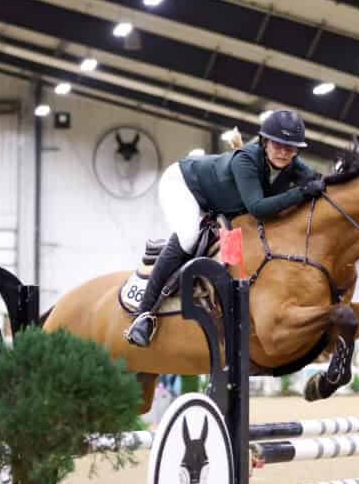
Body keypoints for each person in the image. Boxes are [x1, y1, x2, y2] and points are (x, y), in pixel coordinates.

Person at [125, 109, 325, 347]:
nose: (284, 151)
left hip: (226, 208)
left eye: (290, 147)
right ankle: (144, 314)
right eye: (278, 144)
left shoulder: (291, 162)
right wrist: (301, 192)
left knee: (234, 258)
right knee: (189, 237)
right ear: (264, 141)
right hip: (183, 185)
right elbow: (258, 208)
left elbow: (316, 180)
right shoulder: (245, 159)